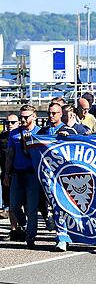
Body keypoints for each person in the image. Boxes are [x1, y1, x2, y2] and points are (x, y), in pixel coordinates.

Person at [5, 105, 40, 248]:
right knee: (13, 206)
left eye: (26, 116)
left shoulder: (40, 132)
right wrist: (6, 174)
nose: (23, 119)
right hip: (17, 174)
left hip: (33, 175)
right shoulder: (14, 134)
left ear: (34, 116)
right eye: (21, 117)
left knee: (31, 208)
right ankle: (25, 225)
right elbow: (10, 155)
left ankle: (30, 237)